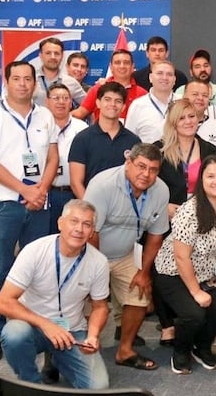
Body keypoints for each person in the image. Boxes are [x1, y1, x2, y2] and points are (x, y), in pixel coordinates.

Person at [0, 60, 59, 363]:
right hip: (5, 204)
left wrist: (40, 190)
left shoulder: (45, 115)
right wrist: (25, 190)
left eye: (28, 79)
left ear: (34, 83)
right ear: (7, 81)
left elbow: (52, 157)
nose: (23, 84)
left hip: (39, 204)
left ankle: (32, 328)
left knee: (38, 271)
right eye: (17, 79)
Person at [0, 200, 109, 389]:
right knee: (13, 334)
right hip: (33, 327)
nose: (79, 229)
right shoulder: (34, 251)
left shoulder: (99, 262)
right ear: (60, 223)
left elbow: (100, 307)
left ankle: (57, 358)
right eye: (74, 221)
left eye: (86, 224)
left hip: (72, 331)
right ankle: (31, 384)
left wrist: (93, 335)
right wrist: (46, 324)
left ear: (92, 232)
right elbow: (3, 302)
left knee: (98, 387)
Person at [154, 156, 216, 374]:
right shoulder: (189, 211)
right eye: (210, 176)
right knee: (194, 313)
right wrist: (196, 291)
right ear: (201, 181)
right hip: (174, 271)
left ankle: (201, 347)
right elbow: (181, 257)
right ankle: (181, 350)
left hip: (211, 272)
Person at [83, 143, 170, 371]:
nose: (146, 174)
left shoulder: (161, 190)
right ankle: (70, 351)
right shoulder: (102, 185)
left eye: (153, 169)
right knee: (82, 302)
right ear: (128, 163)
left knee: (139, 296)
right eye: (141, 166)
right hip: (90, 254)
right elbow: (92, 233)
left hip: (125, 255)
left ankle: (125, 350)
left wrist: (144, 272)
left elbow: (155, 236)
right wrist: (99, 274)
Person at [69, 82, 141, 200]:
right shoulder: (82, 139)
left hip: (123, 208)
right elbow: (76, 183)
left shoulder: (134, 141)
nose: (112, 104)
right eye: (107, 99)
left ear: (123, 107)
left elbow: (136, 179)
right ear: (98, 103)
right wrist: (91, 208)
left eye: (118, 101)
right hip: (90, 206)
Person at [45, 84, 87, 236]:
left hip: (73, 193)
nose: (61, 102)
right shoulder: (39, 127)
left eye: (65, 98)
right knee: (46, 238)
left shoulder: (82, 129)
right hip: (48, 193)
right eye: (56, 98)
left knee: (74, 237)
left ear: (71, 102)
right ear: (47, 101)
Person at [72, 49, 147, 121]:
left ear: (132, 67)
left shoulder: (143, 94)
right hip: (101, 134)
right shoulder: (98, 89)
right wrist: (60, 118)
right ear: (111, 67)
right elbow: (80, 113)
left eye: (126, 63)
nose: (122, 66)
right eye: (117, 62)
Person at [125, 59, 177, 144]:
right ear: (151, 78)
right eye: (159, 73)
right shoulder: (137, 105)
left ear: (174, 80)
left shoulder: (182, 103)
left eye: (169, 74)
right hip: (147, 156)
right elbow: (128, 140)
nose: (164, 78)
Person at [32, 37, 87, 108]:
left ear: (62, 56)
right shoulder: (30, 80)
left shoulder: (71, 82)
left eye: (56, 53)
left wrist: (73, 115)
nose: (53, 57)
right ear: (40, 55)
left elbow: (89, 106)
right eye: (48, 53)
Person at [184, 79, 216, 154]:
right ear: (184, 96)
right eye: (195, 94)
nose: (200, 98)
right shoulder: (171, 123)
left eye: (205, 95)